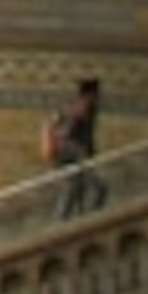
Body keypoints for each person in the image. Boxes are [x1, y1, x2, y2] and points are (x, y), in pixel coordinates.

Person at [47, 76, 105, 217]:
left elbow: (55, 123)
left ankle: (62, 219)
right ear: (92, 94)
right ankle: (88, 217)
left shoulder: (70, 105)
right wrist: (85, 152)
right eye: (96, 94)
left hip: (62, 151)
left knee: (72, 186)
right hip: (73, 151)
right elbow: (79, 131)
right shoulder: (86, 106)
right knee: (97, 187)